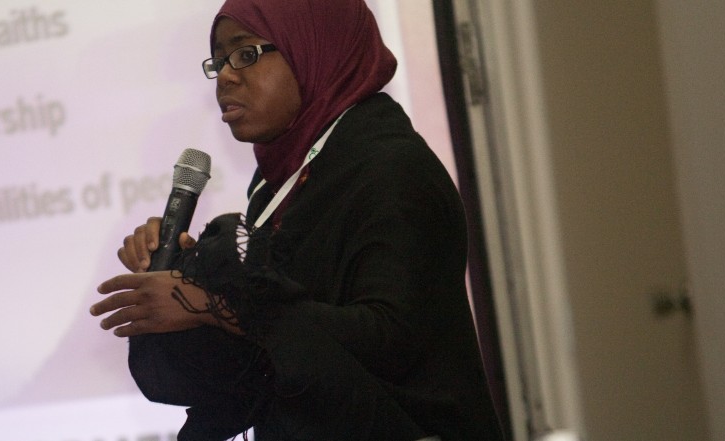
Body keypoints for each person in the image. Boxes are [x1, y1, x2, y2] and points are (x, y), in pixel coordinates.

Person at [89, 0, 504, 439]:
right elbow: (264, 365)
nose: (226, 76)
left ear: (316, 48)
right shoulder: (279, 184)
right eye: (219, 61)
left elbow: (390, 342)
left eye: (245, 53)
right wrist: (179, 276)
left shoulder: (392, 170)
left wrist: (215, 306)